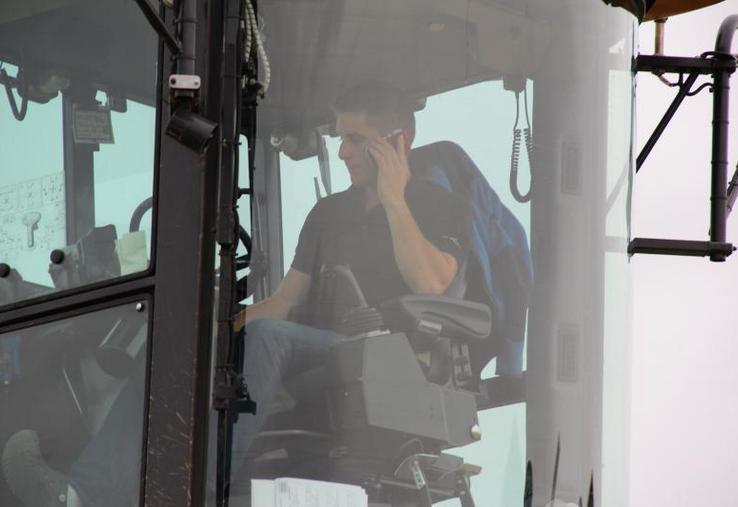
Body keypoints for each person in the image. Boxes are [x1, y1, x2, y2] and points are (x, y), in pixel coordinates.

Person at [1, 81, 468, 507]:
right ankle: (81, 495)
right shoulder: (328, 214)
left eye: (356, 140)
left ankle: (198, 486)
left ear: (397, 143)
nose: (343, 151)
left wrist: (393, 199)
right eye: (339, 137)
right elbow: (284, 301)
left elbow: (431, 282)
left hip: (384, 352)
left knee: (268, 337)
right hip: (312, 347)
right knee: (181, 340)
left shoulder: (432, 203)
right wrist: (210, 328)